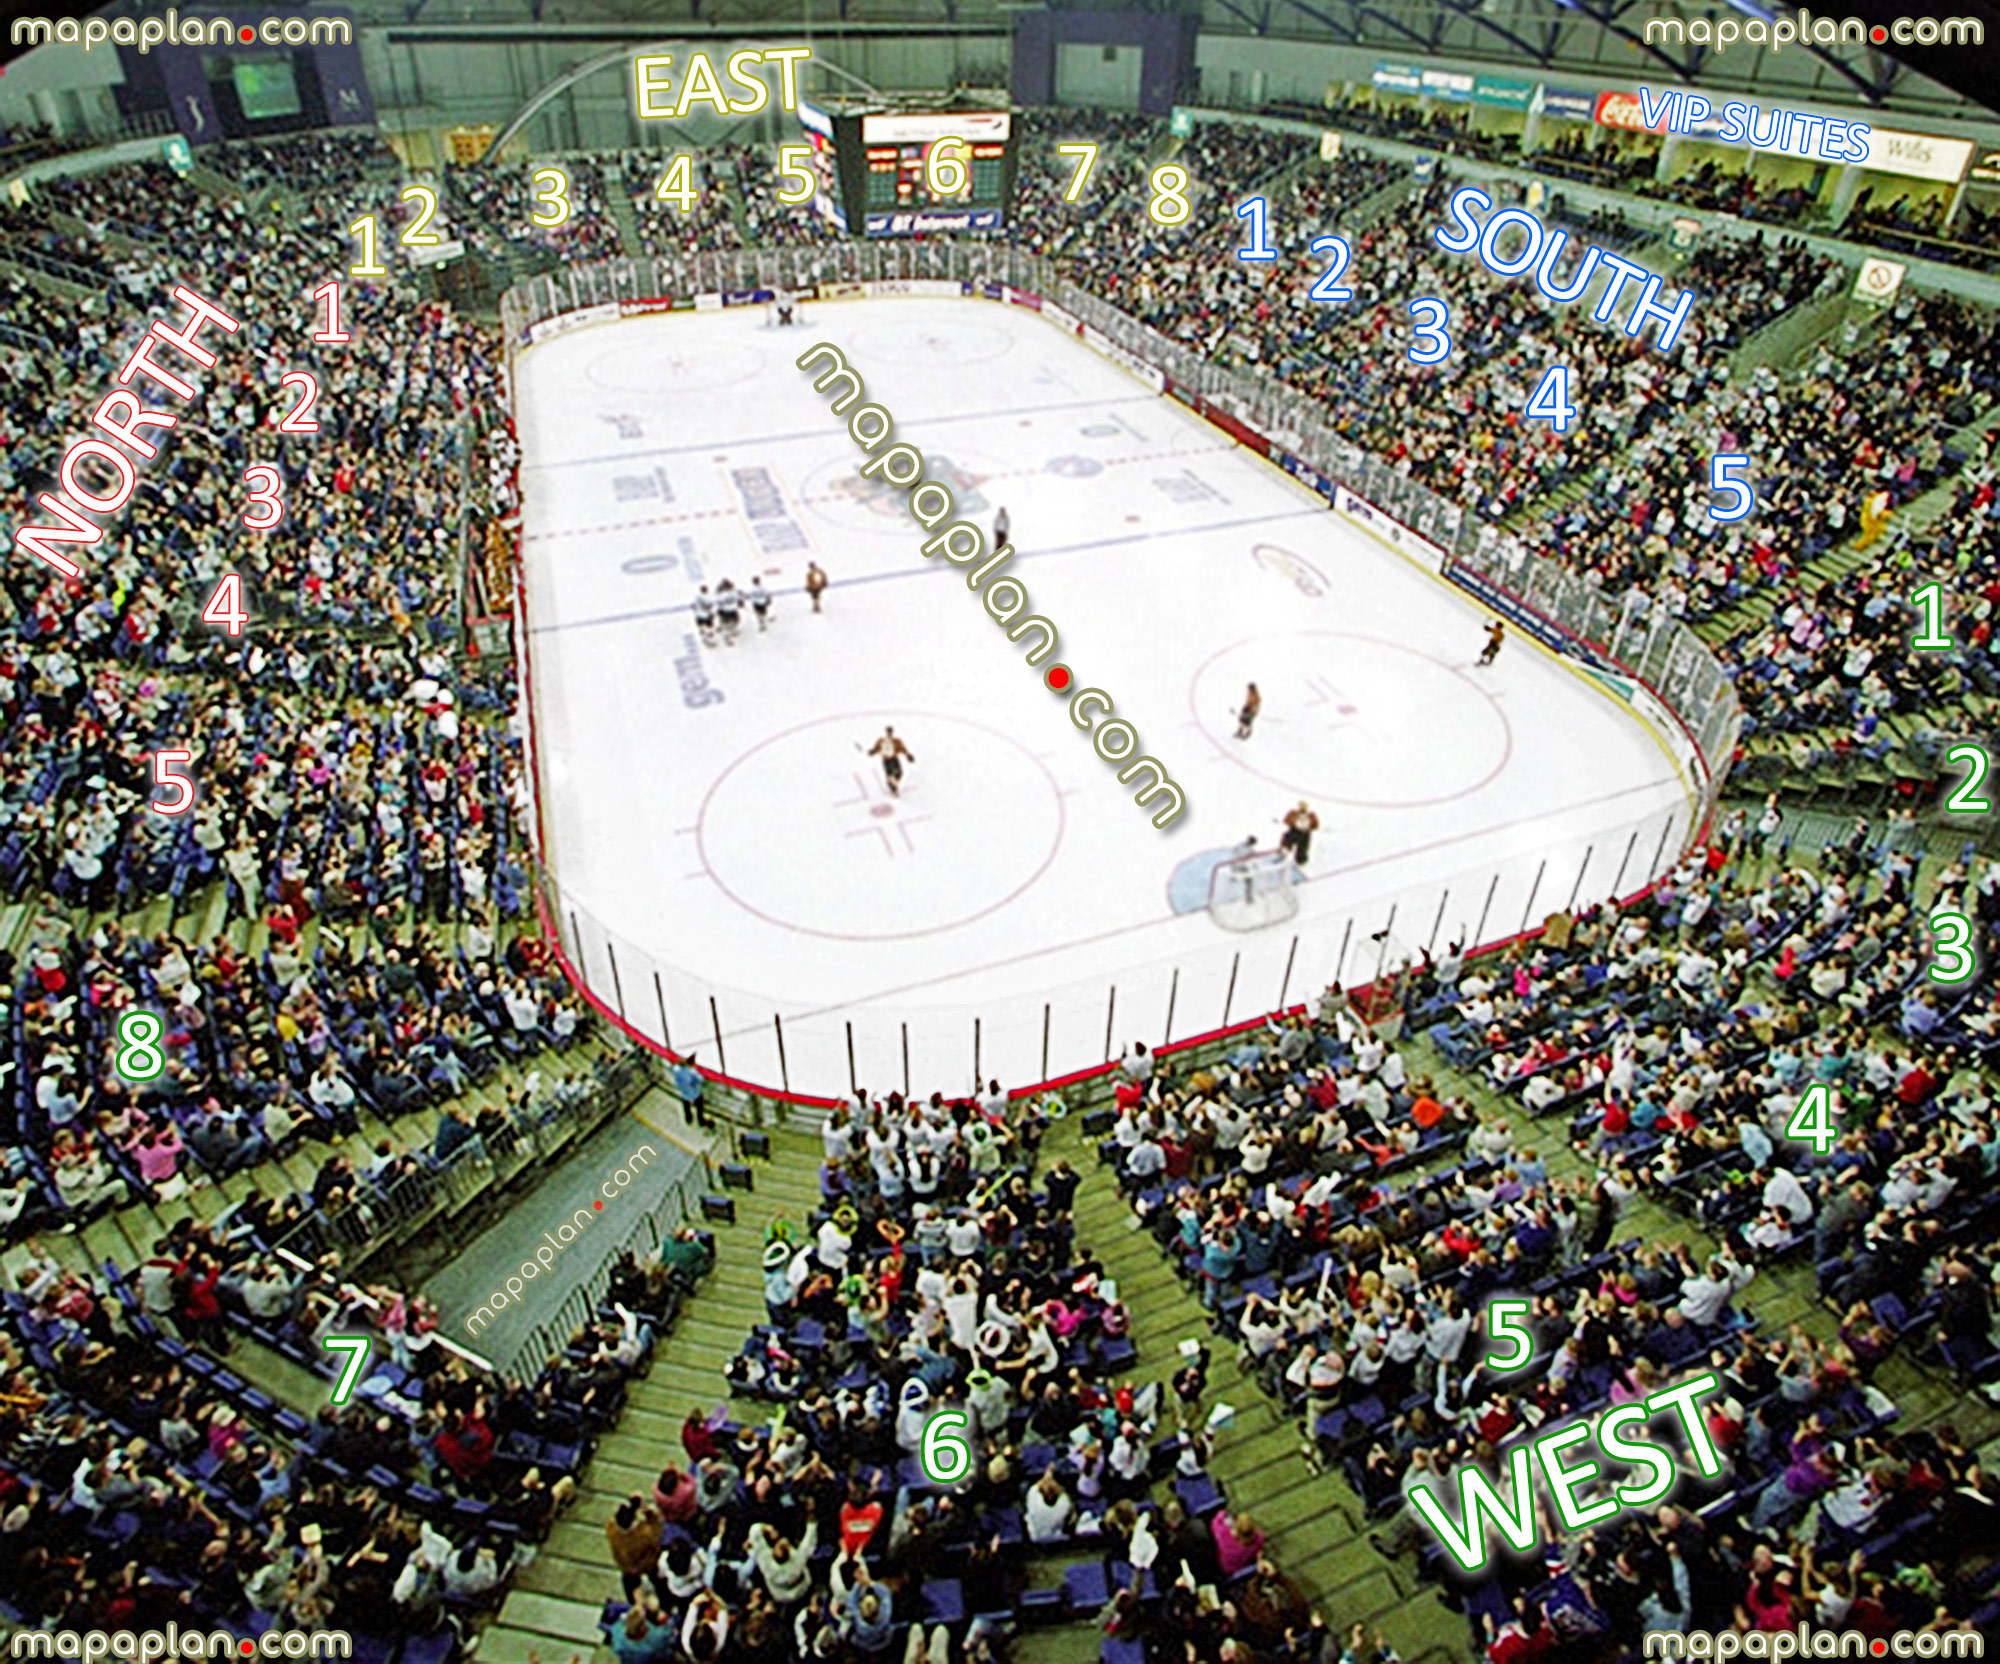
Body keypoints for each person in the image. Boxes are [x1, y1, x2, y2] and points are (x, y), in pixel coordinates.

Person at [868, 727, 915, 798]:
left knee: (899, 773)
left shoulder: (896, 741)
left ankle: (893, 784)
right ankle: (893, 788)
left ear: (892, 732)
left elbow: (902, 748)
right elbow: (876, 748)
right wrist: (872, 751)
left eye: (890, 732)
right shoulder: (881, 741)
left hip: (894, 758)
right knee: (890, 774)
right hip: (886, 760)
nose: (889, 733)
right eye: (888, 732)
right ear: (886, 732)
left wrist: (908, 755)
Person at [1280, 801, 1320, 865]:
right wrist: (1292, 822)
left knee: (1302, 849)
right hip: (1295, 831)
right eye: (1301, 806)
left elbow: (1316, 825)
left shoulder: (1311, 815)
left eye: (1304, 806)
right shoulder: (1293, 813)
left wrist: (1310, 827)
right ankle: (1285, 850)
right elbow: (1286, 820)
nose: (1302, 808)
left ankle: (1301, 860)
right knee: (1287, 837)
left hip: (1305, 834)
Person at [715, 579, 741, 644]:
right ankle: (726, 637)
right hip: (726, 611)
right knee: (726, 624)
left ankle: (731, 630)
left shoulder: (733, 593)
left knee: (736, 621)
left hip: (731, 610)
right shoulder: (723, 595)